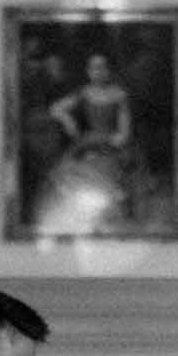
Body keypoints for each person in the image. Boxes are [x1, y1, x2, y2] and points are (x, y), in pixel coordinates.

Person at [37, 48, 135, 232]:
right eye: (93, 68)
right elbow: (55, 108)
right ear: (88, 71)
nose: (97, 72)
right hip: (88, 142)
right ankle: (84, 216)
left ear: (109, 70)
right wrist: (68, 120)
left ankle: (112, 205)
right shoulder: (85, 92)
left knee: (103, 169)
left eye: (101, 67)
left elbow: (124, 132)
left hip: (111, 144)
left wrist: (115, 139)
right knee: (67, 171)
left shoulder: (119, 95)